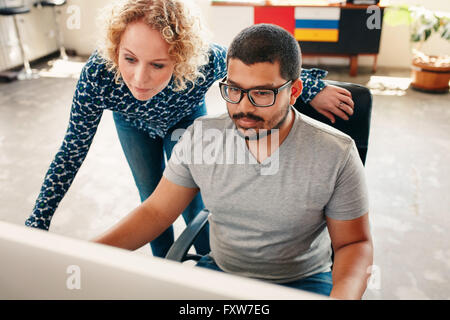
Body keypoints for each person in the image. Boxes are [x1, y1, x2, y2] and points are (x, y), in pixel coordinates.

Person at [25, 0, 355, 259]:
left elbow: (255, 67)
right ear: (115, 51)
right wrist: (37, 221)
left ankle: (211, 268)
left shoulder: (206, 60)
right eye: (129, 59)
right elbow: (71, 152)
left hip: (184, 119)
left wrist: (310, 88)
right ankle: (165, 267)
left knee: (197, 199)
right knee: (152, 199)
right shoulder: (97, 74)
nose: (139, 79)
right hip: (133, 125)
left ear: (182, 59)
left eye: (158, 65)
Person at [93, 23, 373, 299]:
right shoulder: (201, 137)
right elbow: (155, 213)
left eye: (262, 93)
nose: (244, 108)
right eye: (235, 89)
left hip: (302, 282)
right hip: (221, 275)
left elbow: (354, 243)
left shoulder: (336, 153)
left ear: (295, 91)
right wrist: (85, 255)